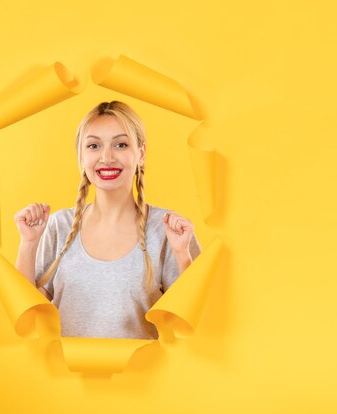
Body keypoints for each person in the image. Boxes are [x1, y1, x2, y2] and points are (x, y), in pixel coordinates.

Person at [13, 101, 202, 339]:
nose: (107, 157)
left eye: (121, 144)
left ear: (141, 154)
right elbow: (26, 318)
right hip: (66, 375)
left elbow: (191, 323)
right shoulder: (58, 226)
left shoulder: (168, 231)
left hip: (145, 375)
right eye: (93, 146)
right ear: (81, 156)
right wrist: (28, 244)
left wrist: (183, 254)